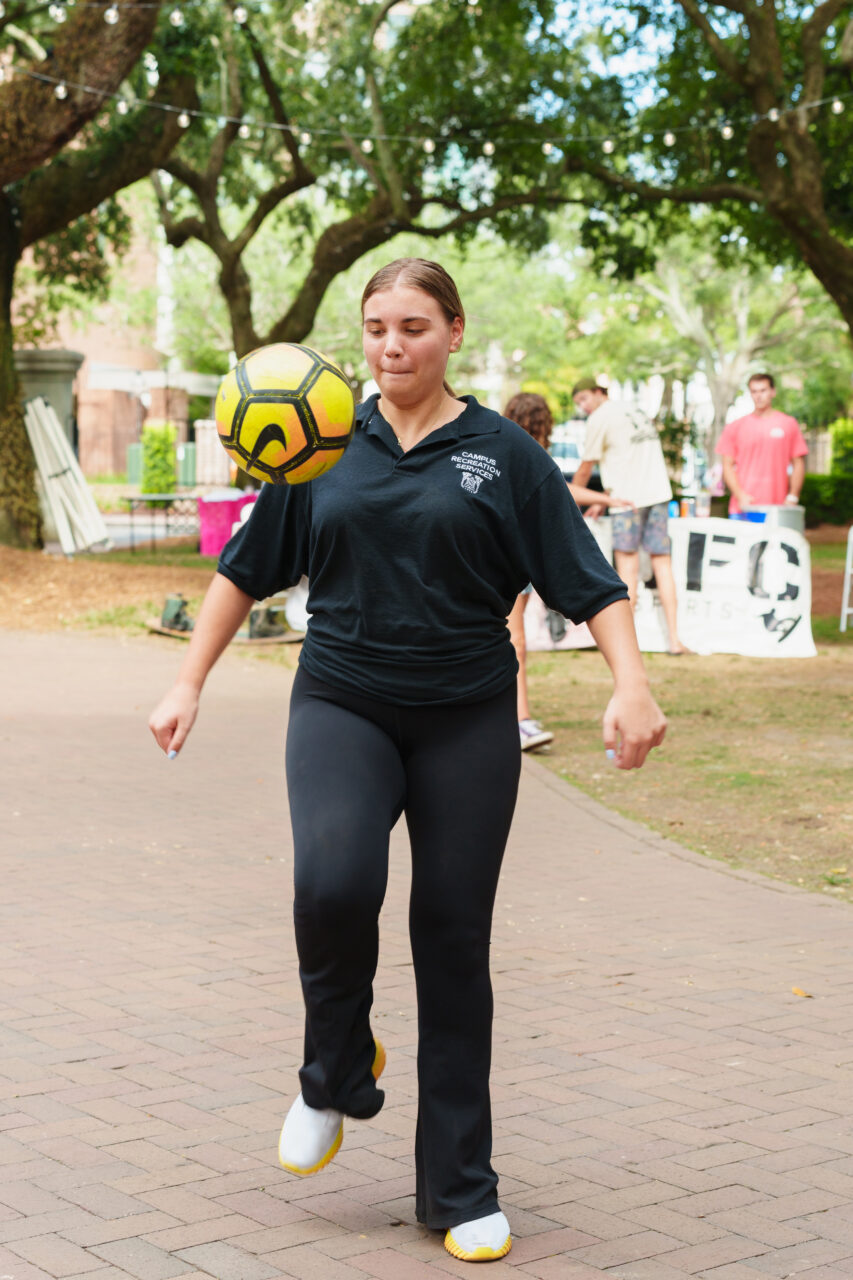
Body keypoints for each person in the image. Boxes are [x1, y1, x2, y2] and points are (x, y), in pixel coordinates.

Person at [149, 260, 667, 1264]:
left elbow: (589, 581)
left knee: (450, 940)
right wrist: (188, 680)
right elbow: (246, 567)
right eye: (378, 327)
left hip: (465, 718)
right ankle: (333, 1068)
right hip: (342, 700)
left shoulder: (504, 455)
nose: (393, 345)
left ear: (454, 332)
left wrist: (630, 682)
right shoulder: (319, 441)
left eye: (415, 326)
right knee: (332, 881)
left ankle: (459, 1187)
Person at [503, 391, 634, 752]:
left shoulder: (500, 446)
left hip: (510, 553)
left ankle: (516, 717)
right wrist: (606, 499)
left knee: (513, 638)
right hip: (516, 554)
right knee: (514, 638)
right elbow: (560, 488)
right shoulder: (523, 453)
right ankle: (518, 720)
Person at [571, 377, 691, 656]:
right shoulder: (632, 408)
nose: (583, 407)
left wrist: (574, 498)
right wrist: (603, 499)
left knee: (628, 570)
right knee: (663, 565)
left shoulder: (600, 417)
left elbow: (585, 470)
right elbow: (627, 458)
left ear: (599, 393)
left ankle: (628, 647)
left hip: (628, 502)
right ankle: (674, 640)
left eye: (584, 399)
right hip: (658, 494)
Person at [715, 372, 808, 516]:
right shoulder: (735, 427)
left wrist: (793, 496)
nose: (759, 395)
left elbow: (798, 463)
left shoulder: (789, 424)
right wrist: (740, 495)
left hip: (777, 509)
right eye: (754, 391)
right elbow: (727, 465)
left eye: (763, 390)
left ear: (773, 392)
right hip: (743, 507)